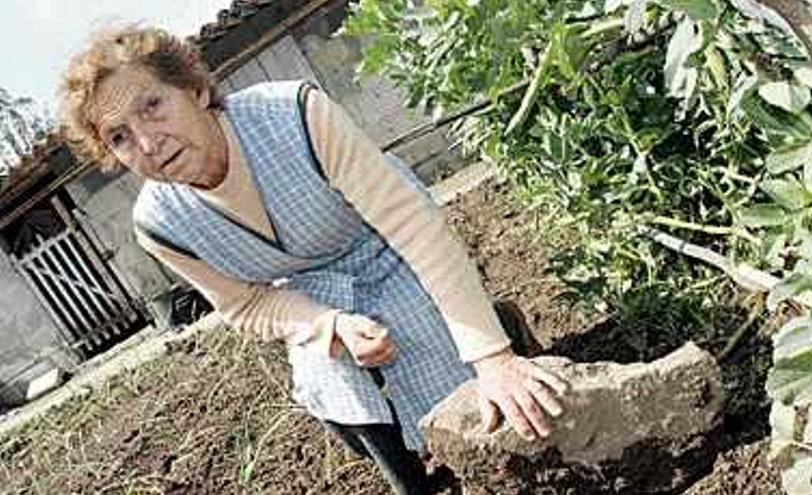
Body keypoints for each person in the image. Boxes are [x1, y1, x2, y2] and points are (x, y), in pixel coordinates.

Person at [59, 26, 568, 494]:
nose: (148, 143)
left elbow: (412, 227)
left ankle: (501, 328)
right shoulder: (160, 224)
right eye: (119, 136)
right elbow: (244, 305)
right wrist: (325, 324)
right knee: (331, 375)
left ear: (194, 90)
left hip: (387, 249)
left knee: (470, 382)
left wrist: (491, 358)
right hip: (315, 292)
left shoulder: (294, 114)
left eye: (152, 105)